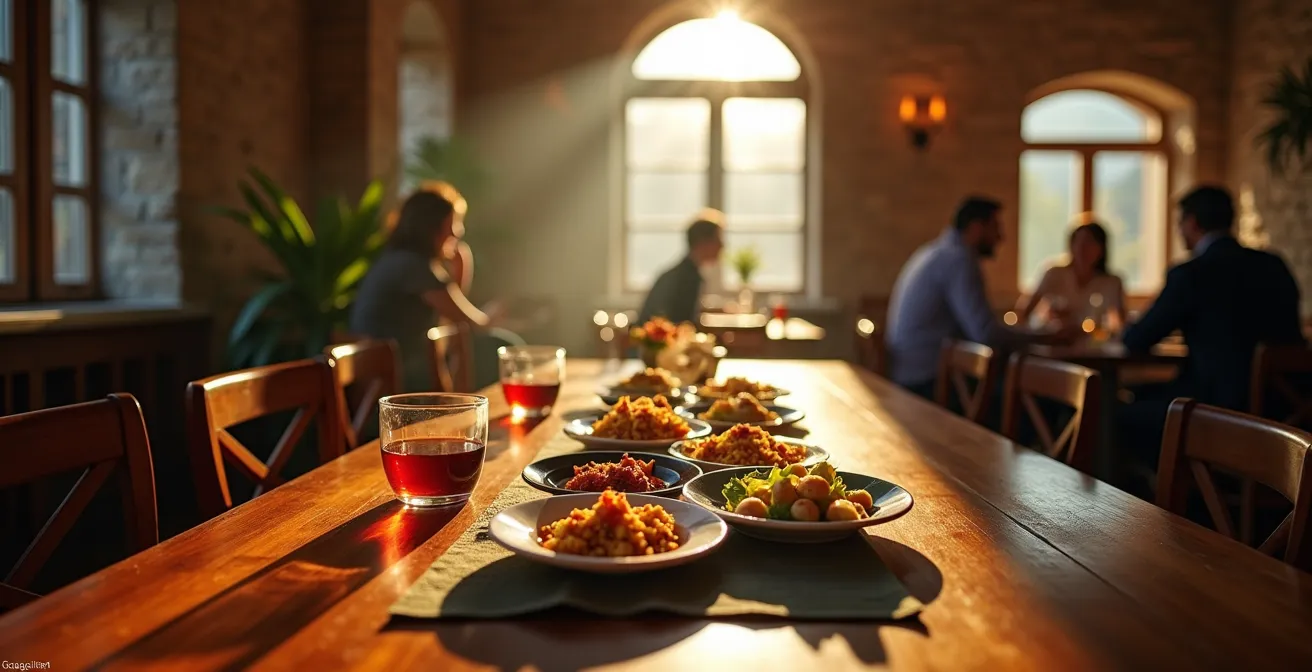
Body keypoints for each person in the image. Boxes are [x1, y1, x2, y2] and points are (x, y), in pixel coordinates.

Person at [1119, 186, 1304, 463]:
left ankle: (1166, 499)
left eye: (1180, 223)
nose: (1180, 231)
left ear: (1192, 223)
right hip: (1287, 412)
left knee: (1116, 415)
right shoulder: (1274, 265)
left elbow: (1136, 340)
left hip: (1219, 414)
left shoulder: (1191, 274)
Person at [885, 196, 1071, 399]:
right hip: (928, 382)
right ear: (976, 228)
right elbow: (985, 334)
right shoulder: (959, 260)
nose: (1001, 237)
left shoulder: (934, 252)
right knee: (1039, 397)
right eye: (996, 227)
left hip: (911, 374)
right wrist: (1046, 335)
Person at [350, 181, 494, 392]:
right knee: (495, 346)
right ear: (432, 227)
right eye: (452, 224)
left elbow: (453, 320)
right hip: (398, 383)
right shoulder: (414, 266)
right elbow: (467, 320)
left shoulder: (397, 259)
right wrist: (465, 268)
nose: (458, 232)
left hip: (388, 375)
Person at [1017, 221, 1125, 332]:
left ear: (1101, 248)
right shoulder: (1054, 274)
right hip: (1053, 340)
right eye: (1078, 242)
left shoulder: (1112, 282)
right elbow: (1025, 312)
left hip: (1093, 345)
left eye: (1090, 243)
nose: (1082, 249)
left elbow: (1121, 324)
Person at [638, 210, 725, 324]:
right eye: (717, 240)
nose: (722, 245)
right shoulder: (688, 278)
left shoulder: (681, 272)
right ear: (703, 242)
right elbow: (684, 325)